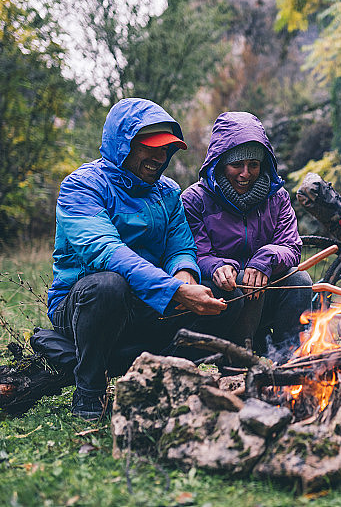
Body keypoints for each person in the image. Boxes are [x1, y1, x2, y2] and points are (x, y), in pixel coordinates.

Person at [40, 98, 226, 420]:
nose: (159, 157)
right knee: (108, 286)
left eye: (165, 148)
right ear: (122, 145)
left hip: (145, 302)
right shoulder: (81, 186)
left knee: (221, 290)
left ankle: (170, 375)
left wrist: (185, 277)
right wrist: (172, 290)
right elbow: (108, 252)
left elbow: (180, 248)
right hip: (82, 303)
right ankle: (90, 392)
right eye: (148, 147)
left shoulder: (168, 192)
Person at [181, 111, 311, 358]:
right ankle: (237, 363)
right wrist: (217, 266)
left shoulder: (278, 197)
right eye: (236, 165)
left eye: (254, 165)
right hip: (223, 295)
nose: (246, 174)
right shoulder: (194, 200)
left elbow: (291, 246)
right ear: (220, 163)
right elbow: (192, 252)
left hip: (267, 287)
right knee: (241, 285)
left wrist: (266, 258)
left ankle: (289, 362)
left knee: (300, 281)